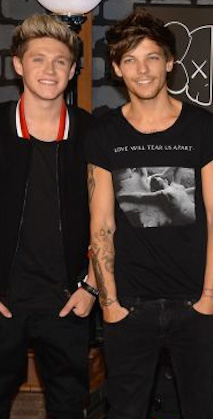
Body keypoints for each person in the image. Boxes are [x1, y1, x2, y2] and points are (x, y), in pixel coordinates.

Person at [85, 11, 213, 419]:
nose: (142, 70)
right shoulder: (104, 133)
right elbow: (102, 224)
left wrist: (209, 299)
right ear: (117, 68)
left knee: (203, 410)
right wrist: (110, 304)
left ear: (170, 62)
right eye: (129, 60)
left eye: (151, 57)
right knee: (125, 410)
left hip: (194, 304)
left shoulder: (203, 128)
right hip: (129, 306)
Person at [0, 14, 96, 419]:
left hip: (68, 302)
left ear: (73, 71)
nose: (49, 70)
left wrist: (92, 286)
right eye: (38, 59)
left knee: (70, 407)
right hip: (5, 302)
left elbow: (113, 217)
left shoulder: (93, 132)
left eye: (60, 61)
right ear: (18, 65)